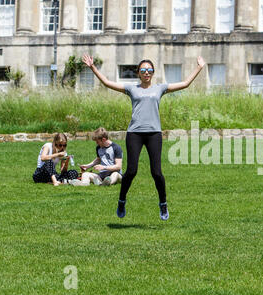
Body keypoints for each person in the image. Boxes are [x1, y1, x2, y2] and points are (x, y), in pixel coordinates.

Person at [82, 53, 206, 221]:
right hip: (135, 134)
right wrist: (93, 67)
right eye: (143, 70)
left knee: (156, 172)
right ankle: (121, 200)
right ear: (138, 73)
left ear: (153, 73)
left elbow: (185, 84)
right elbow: (107, 83)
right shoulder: (132, 88)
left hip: (154, 134)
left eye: (149, 70)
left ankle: (163, 204)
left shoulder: (160, 88)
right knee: (131, 171)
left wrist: (199, 68)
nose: (146, 72)